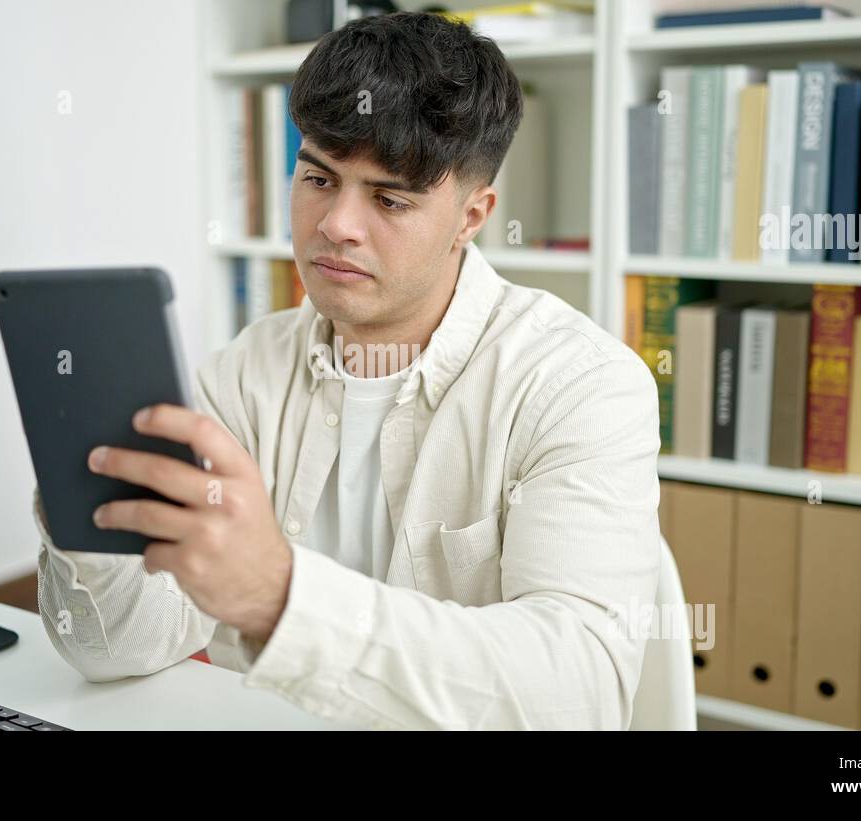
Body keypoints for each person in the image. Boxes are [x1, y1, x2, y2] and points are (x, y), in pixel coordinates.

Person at [35, 10, 661, 730]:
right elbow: (115, 648)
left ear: (472, 215)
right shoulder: (245, 371)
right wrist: (74, 493)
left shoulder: (582, 386)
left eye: (389, 198)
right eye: (318, 177)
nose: (337, 224)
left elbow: (576, 693)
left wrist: (281, 595)